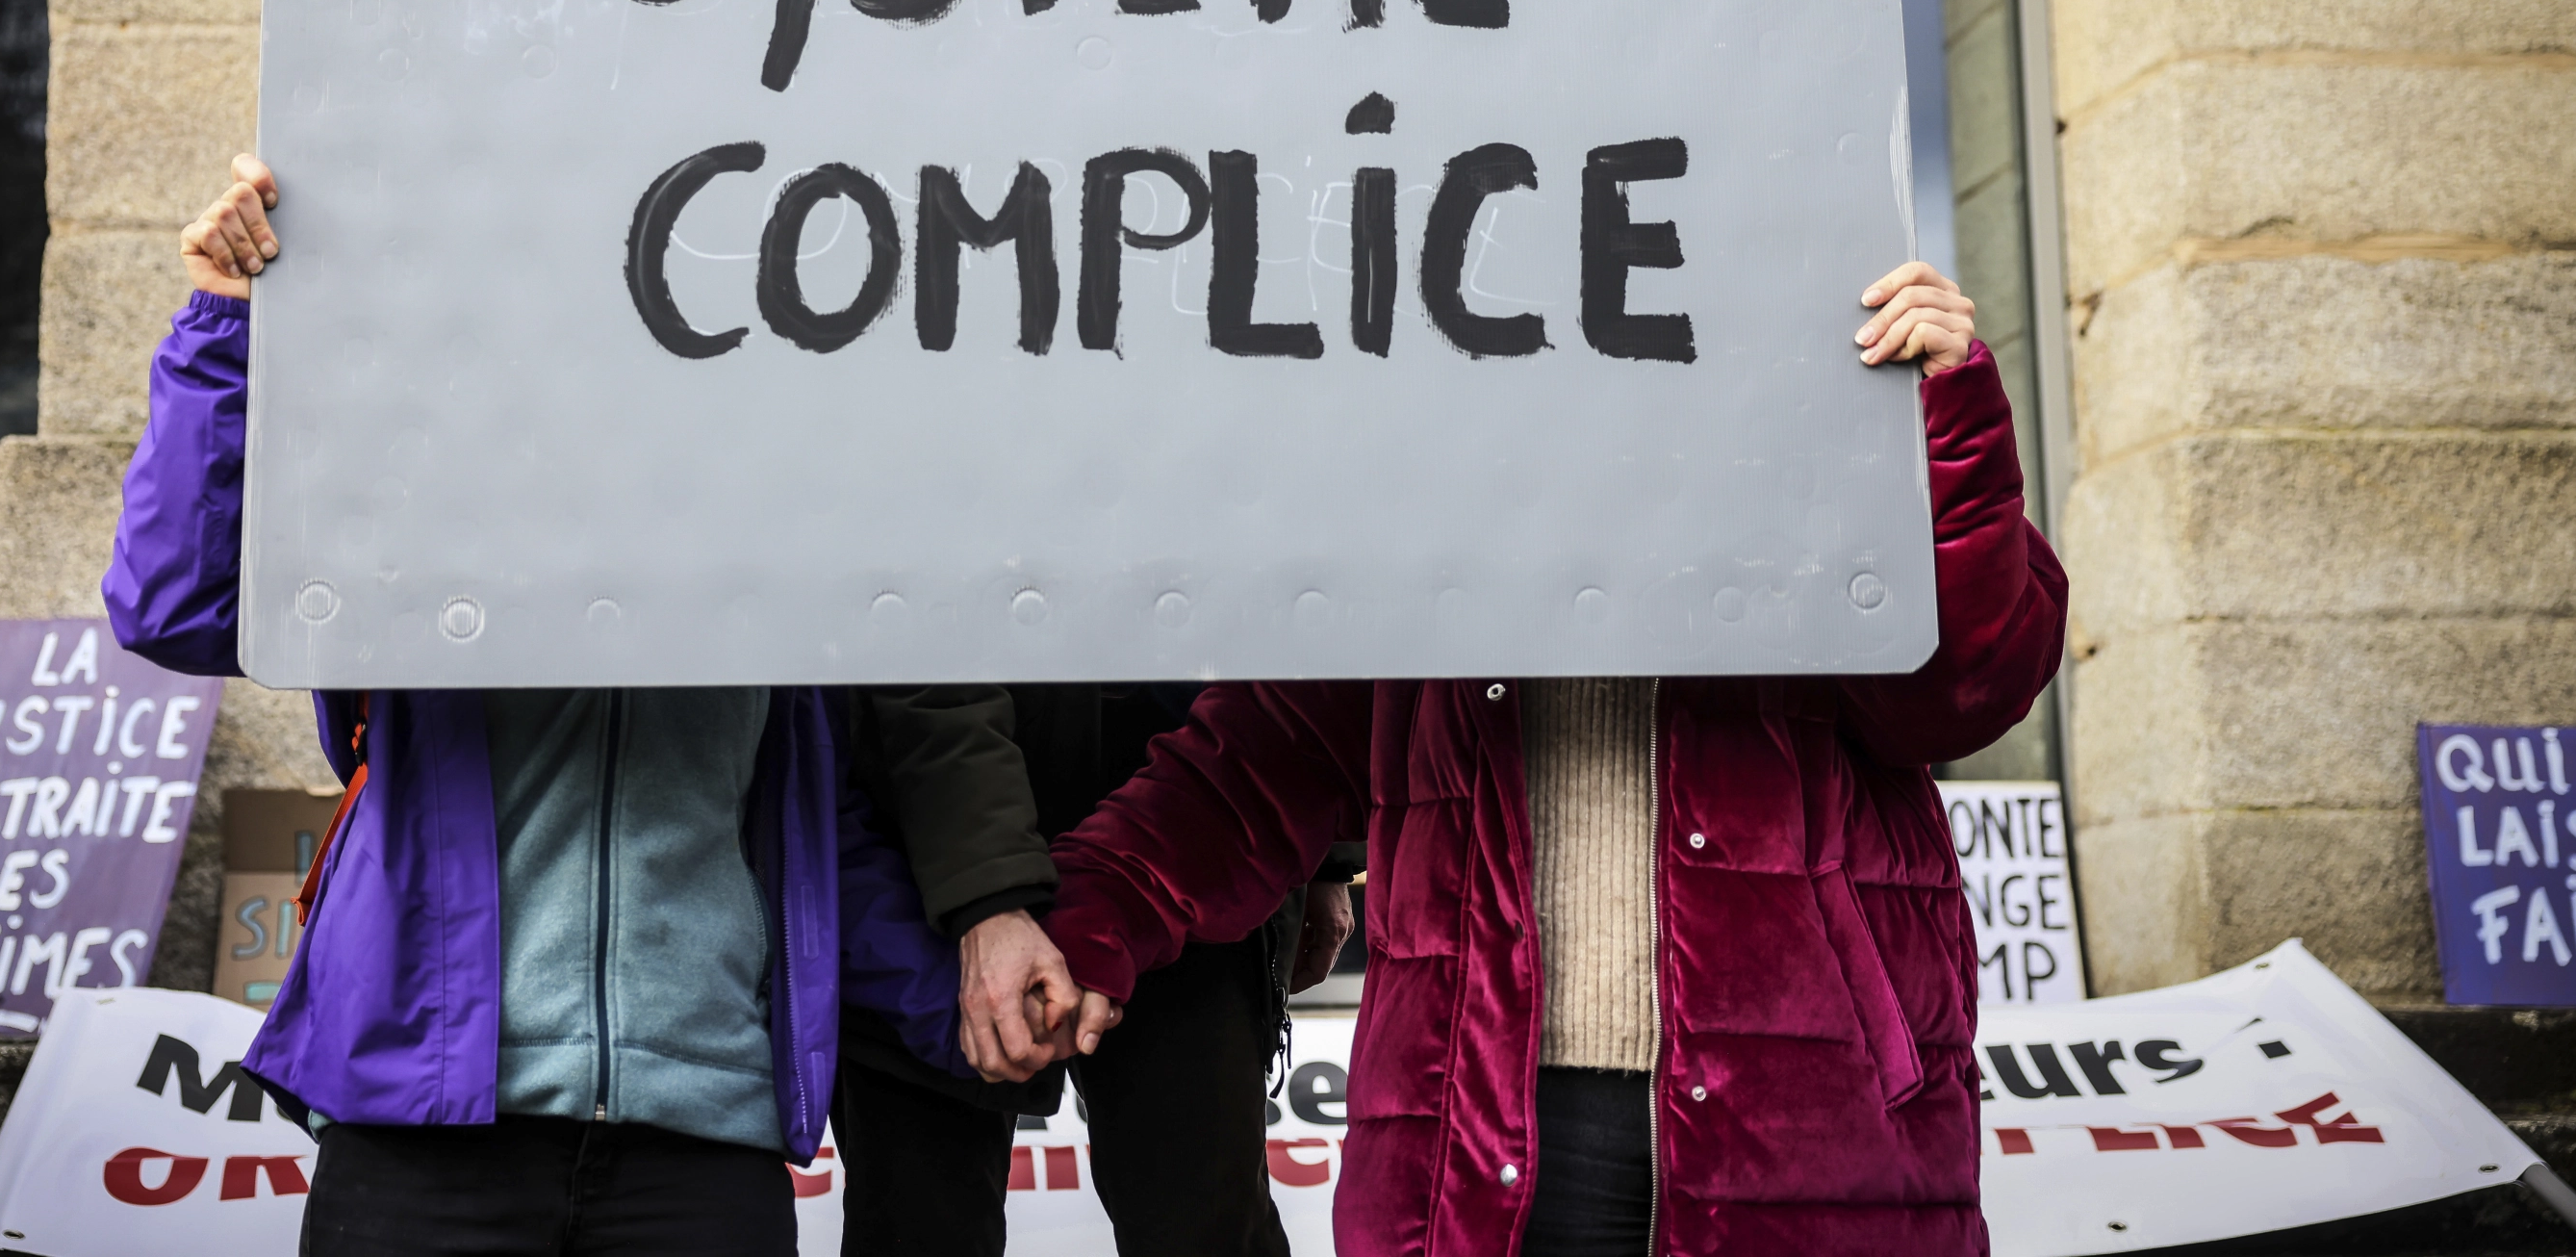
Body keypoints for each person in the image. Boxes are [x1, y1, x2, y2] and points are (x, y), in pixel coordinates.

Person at [1037, 263, 2068, 1257]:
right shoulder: (1428, 507)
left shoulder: (1820, 432)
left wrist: (1940, 424)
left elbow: (1965, 690)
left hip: (1807, 1126)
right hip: (1479, 1137)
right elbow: (1252, 763)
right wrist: (1078, 924)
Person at [106, 155, 968, 1257]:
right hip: (428, 1135)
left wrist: (967, 994)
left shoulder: (773, 569)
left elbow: (810, 845)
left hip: (700, 1153)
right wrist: (225, 321)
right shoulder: (414, 513)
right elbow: (174, 603)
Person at [839, 684, 1360, 1257]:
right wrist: (989, 897)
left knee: (1205, 1226)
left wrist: (1326, 850)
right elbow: (920, 653)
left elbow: (1289, 642)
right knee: (921, 1223)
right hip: (925, 853)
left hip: (1195, 841)